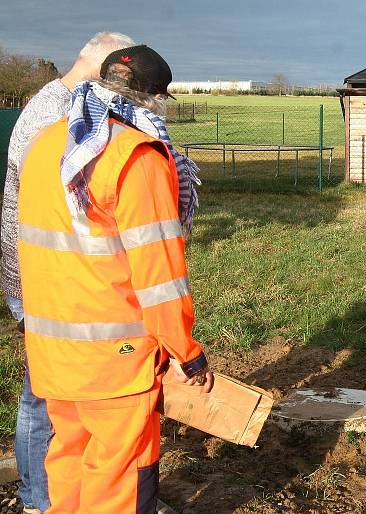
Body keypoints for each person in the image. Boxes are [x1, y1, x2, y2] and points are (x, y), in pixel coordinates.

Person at [17, 44, 211, 513]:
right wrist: (187, 353)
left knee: (68, 459)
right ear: (153, 100)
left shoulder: (48, 144)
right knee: (119, 476)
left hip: (53, 356)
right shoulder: (136, 156)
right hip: (115, 364)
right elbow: (160, 278)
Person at [0, 31, 136, 514]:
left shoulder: (60, 104)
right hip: (41, 276)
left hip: (45, 270)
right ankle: (41, 498)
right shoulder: (53, 115)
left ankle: (57, 492)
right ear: (102, 68)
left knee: (54, 390)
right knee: (44, 394)